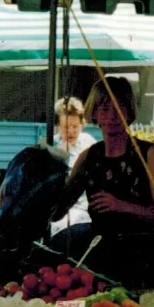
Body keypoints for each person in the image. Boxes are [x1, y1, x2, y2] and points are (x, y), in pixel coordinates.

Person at [52, 76, 154, 289]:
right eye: (105, 108)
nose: (112, 115)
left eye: (120, 107)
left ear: (130, 111)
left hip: (143, 261)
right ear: (95, 113)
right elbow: (58, 210)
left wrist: (120, 205)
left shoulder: (149, 154)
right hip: (101, 262)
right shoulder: (88, 157)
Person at [48, 97, 97, 248]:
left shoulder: (89, 143)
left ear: (82, 125)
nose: (70, 131)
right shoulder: (51, 145)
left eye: (75, 126)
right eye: (65, 127)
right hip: (61, 207)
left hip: (86, 204)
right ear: (57, 126)